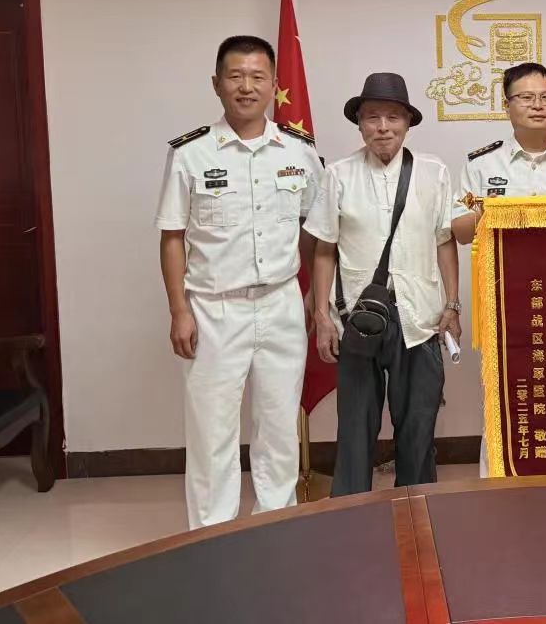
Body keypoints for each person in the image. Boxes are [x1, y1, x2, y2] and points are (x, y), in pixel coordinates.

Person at [154, 35, 323, 530]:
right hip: (213, 309)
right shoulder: (190, 154)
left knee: (279, 428)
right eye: (235, 76)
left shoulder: (298, 151)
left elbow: (316, 230)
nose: (246, 87)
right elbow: (172, 237)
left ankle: (276, 527)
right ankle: (213, 536)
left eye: (257, 77)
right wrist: (179, 310)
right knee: (212, 433)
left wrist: (311, 296)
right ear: (217, 84)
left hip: (280, 304)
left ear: (273, 85)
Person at [304, 72, 460, 496]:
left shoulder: (433, 172)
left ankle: (418, 507)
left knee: (418, 426)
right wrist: (322, 317)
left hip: (420, 316)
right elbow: (324, 249)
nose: (383, 127)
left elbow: (444, 241)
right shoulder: (339, 175)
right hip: (357, 318)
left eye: (393, 117)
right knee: (355, 428)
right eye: (372, 117)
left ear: (407, 123)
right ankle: (350, 514)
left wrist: (452, 305)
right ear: (360, 124)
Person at [450, 61, 546, 476]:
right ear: (507, 105)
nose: (538, 105)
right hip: (506, 302)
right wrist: (490, 213)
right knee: (506, 392)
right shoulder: (482, 166)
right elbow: (459, 231)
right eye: (526, 97)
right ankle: (498, 480)